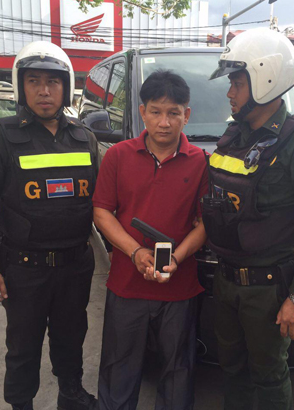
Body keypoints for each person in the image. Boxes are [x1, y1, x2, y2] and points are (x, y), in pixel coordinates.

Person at [204, 28, 294, 409]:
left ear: (265, 79)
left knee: (268, 376)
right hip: (226, 281)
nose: (230, 93)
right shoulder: (234, 136)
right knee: (232, 370)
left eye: (237, 83)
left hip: (267, 289)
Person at [0, 41, 98, 410]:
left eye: (53, 82)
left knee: (71, 339)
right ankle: (21, 403)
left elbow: (101, 203)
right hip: (24, 269)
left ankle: (71, 395)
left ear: (66, 86)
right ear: (20, 85)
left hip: (74, 266)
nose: (44, 91)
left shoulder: (84, 137)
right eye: (34, 81)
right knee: (23, 347)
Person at [92, 70, 209, 410]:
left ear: (187, 115)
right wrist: (135, 252)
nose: (164, 122)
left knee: (177, 373)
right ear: (142, 112)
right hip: (126, 286)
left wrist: (177, 258)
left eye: (174, 113)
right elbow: (101, 212)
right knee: (118, 370)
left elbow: (205, 224)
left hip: (179, 289)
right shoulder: (118, 156)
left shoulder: (201, 163)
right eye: (156, 111)